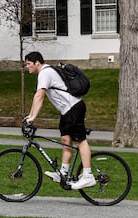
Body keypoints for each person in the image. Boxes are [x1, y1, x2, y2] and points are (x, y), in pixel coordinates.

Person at [23, 51, 96, 190]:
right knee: (66, 140)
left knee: (80, 141)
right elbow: (36, 97)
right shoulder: (45, 73)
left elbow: (40, 96)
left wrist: (32, 117)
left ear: (37, 63)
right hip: (67, 111)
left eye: (28, 64)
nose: (27, 67)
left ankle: (88, 175)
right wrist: (30, 116)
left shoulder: (45, 73)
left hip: (74, 107)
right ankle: (63, 172)